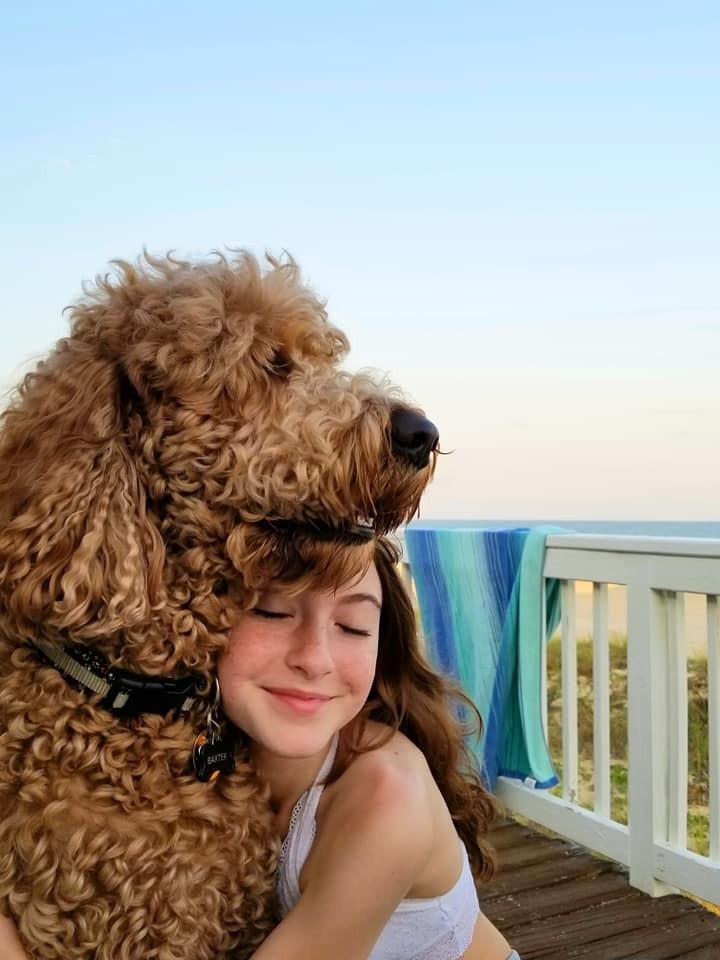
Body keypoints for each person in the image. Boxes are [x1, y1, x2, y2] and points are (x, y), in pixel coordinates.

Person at [218, 536, 520, 960]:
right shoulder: (192, 745)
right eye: (272, 611)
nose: (315, 659)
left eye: (353, 626)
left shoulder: (388, 798)